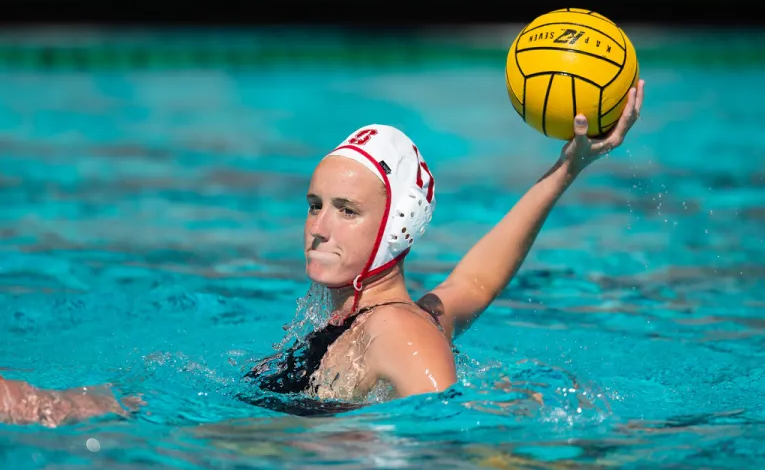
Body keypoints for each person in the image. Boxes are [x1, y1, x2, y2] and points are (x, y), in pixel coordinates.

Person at [0, 81, 645, 426]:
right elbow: (477, 279)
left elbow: (444, 425)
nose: (318, 226)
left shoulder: (398, 330)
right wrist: (566, 171)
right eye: (314, 204)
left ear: (393, 227)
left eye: (347, 210)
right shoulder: (391, 317)